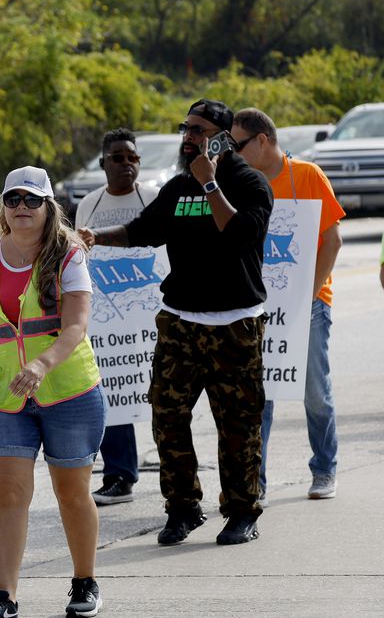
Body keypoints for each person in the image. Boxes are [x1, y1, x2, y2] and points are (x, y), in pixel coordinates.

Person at [78, 99, 273, 546]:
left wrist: (209, 184)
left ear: (223, 138)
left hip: (235, 327)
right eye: (185, 128)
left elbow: (242, 235)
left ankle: (242, 511)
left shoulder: (250, 184)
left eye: (199, 130)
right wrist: (97, 237)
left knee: (238, 425)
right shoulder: (177, 187)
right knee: (167, 418)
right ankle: (183, 508)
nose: (188, 137)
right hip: (181, 324)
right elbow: (143, 229)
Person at [0, 166, 104, 618]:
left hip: (68, 392)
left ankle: (84, 582)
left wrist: (41, 364)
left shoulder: (68, 256)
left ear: (48, 207)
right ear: (3, 208)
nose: (22, 208)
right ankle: (4, 597)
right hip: (5, 397)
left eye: (32, 200)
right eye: (13, 200)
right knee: (7, 493)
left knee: (71, 492)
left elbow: (76, 326)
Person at [232, 108, 345, 502]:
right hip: (258, 309)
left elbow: (332, 241)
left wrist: (309, 296)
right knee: (259, 395)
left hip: (310, 304)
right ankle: (255, 482)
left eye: (239, 144)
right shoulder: (239, 184)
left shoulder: (307, 176)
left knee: (315, 390)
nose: (233, 152)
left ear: (262, 140)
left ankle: (325, 468)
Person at [74, 128, 160, 506]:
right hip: (108, 324)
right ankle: (119, 476)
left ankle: (177, 477)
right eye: (118, 158)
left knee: (162, 397)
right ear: (102, 163)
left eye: (133, 158)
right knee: (113, 394)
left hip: (154, 318)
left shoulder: (156, 199)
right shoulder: (88, 206)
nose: (127, 165)